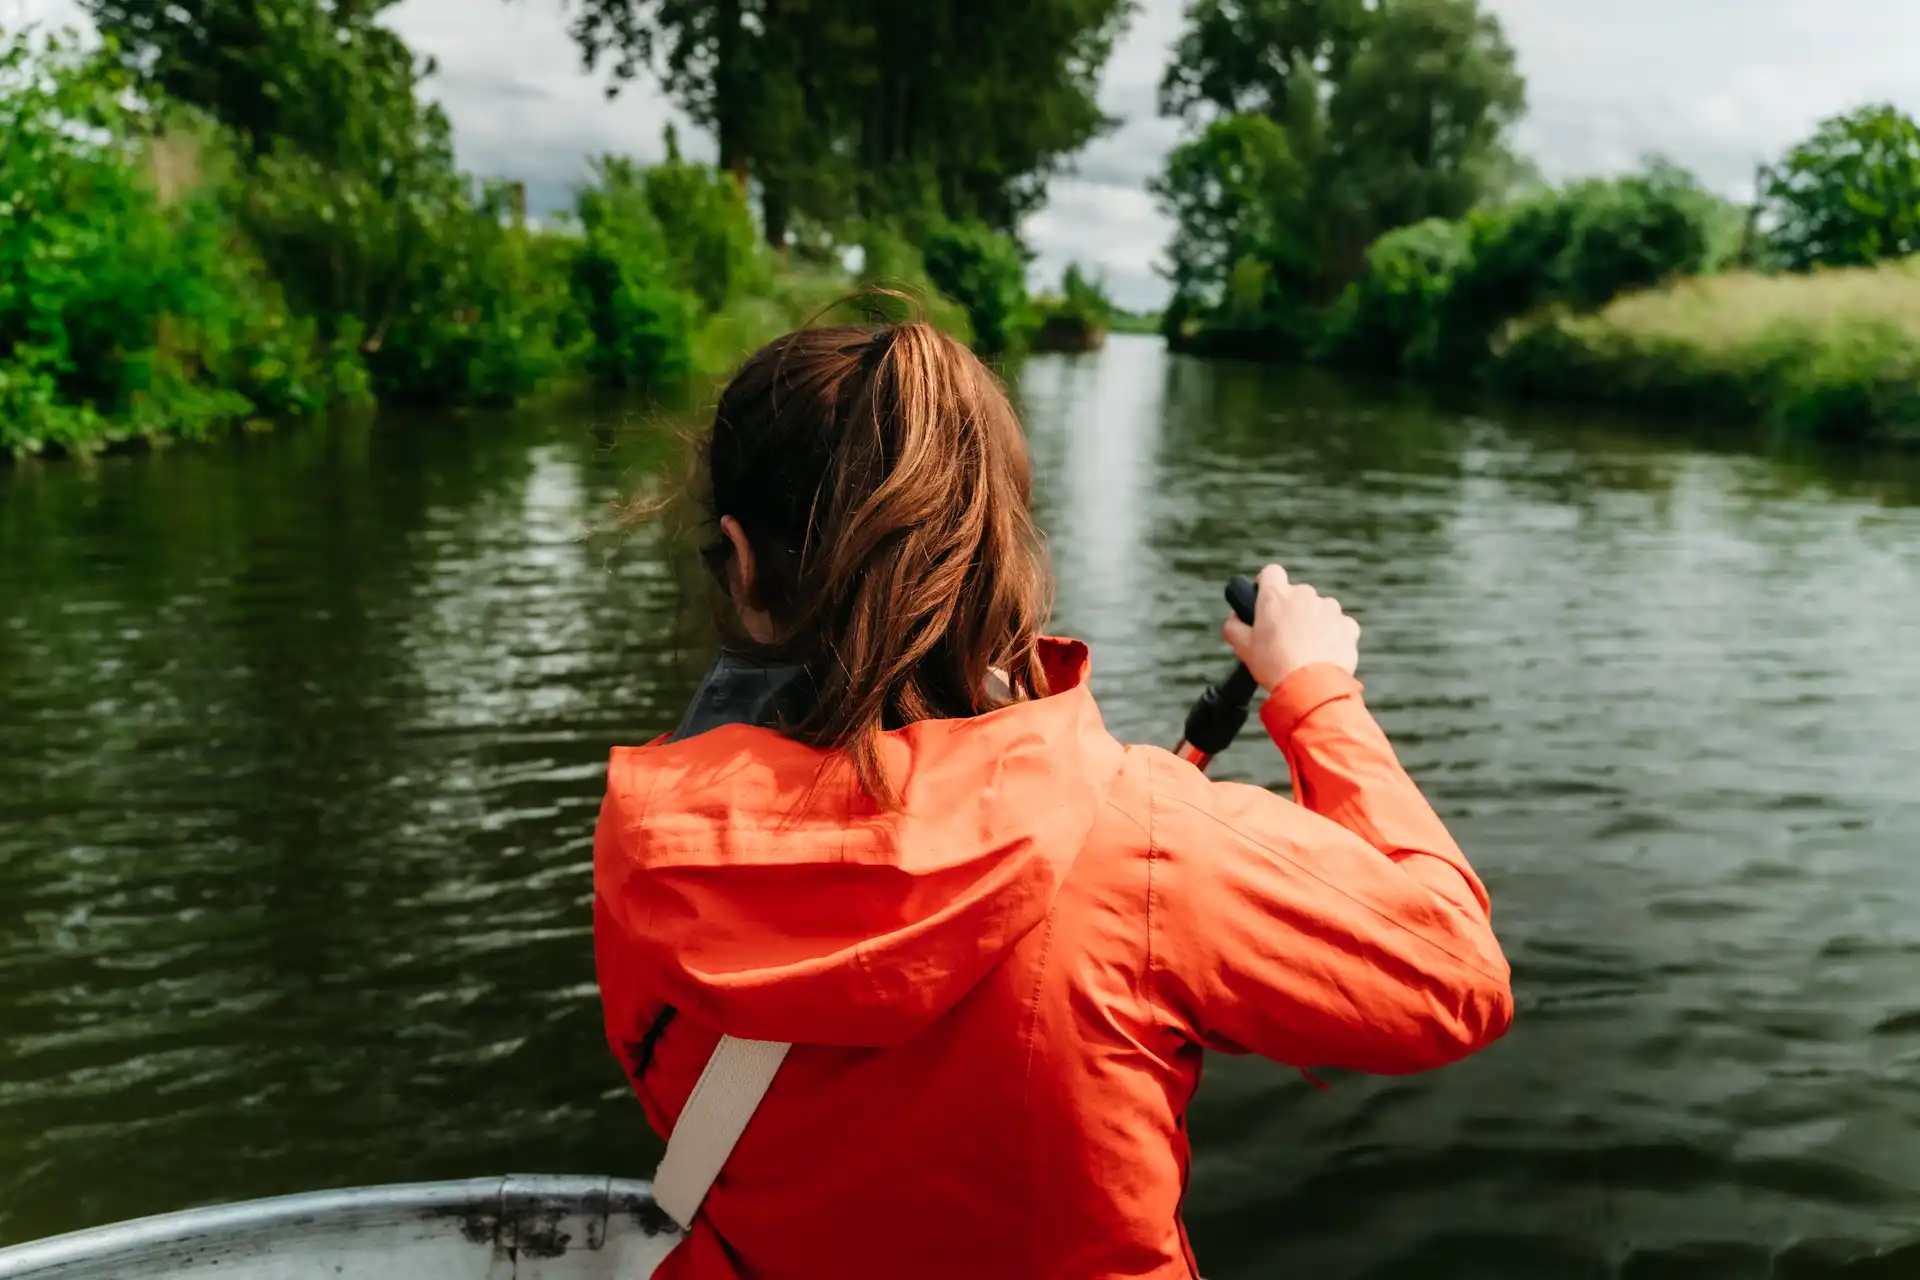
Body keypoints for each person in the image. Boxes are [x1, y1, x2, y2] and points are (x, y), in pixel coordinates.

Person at [593, 317, 1513, 1279]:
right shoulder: (1147, 842)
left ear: (739, 564)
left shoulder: (646, 839)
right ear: (1002, 553)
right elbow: (1458, 974)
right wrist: (1315, 692)